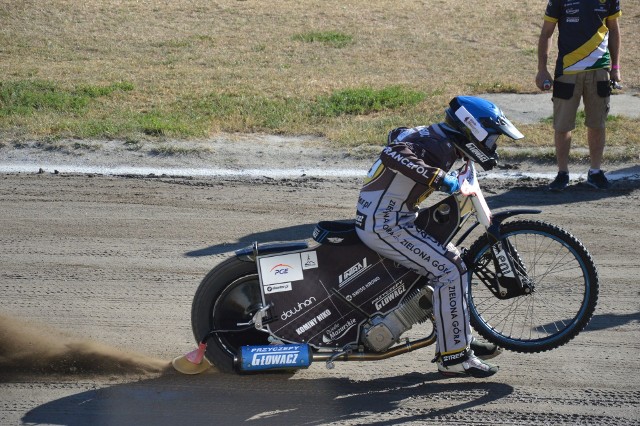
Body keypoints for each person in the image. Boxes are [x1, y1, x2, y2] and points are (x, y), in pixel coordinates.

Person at [355, 96, 524, 378]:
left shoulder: (438, 138)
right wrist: (437, 178)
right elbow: (392, 151)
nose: (493, 147)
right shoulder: (437, 145)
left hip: (394, 217)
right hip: (385, 224)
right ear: (473, 131)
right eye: (492, 140)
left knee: (454, 258)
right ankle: (454, 358)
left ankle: (458, 343)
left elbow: (396, 132)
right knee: (449, 270)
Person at [536, 0, 622, 191]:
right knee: (562, 124)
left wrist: (615, 67)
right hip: (567, 70)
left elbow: (614, 30)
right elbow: (546, 33)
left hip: (599, 70)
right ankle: (562, 173)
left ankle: (595, 171)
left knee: (597, 123)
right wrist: (542, 70)